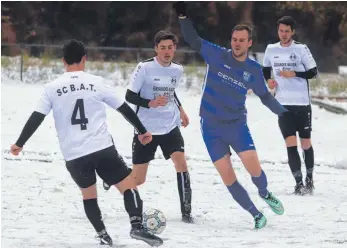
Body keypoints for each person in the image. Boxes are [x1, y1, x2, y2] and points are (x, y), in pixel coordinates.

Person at [10, 40, 163, 247]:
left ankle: (102, 235)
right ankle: (136, 226)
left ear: (63, 61)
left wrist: (20, 143)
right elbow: (123, 108)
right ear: (84, 59)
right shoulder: (96, 81)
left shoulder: (51, 88)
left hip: (73, 155)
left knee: (89, 195)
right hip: (101, 148)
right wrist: (143, 130)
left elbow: (37, 117)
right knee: (129, 186)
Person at [173, 2, 286, 229]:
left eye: (242, 40)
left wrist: (283, 113)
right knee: (228, 176)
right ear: (231, 40)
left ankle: (264, 192)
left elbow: (265, 96)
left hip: (236, 125)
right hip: (211, 127)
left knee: (253, 168)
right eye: (234, 39)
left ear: (249, 43)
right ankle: (256, 215)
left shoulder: (253, 70)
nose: (237, 43)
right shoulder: (216, 54)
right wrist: (184, 17)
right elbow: (194, 40)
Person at [104, 30, 194, 223]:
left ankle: (187, 212)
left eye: (170, 47)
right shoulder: (144, 68)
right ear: (156, 49)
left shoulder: (177, 69)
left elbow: (171, 93)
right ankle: (113, 178)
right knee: (139, 179)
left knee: (181, 163)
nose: (167, 51)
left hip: (170, 126)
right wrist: (150, 103)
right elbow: (129, 96)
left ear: (175, 48)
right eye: (162, 48)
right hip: (146, 129)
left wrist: (181, 109)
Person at [262, 16, 318, 195]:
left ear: (292, 32)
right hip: (283, 105)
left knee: (306, 143)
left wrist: (294, 73)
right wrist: (269, 80)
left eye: (287, 31)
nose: (284, 34)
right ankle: (298, 183)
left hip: (302, 104)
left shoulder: (301, 49)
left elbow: (313, 72)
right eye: (281, 31)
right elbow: (265, 69)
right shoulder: (271, 49)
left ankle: (309, 179)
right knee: (290, 144)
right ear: (277, 31)